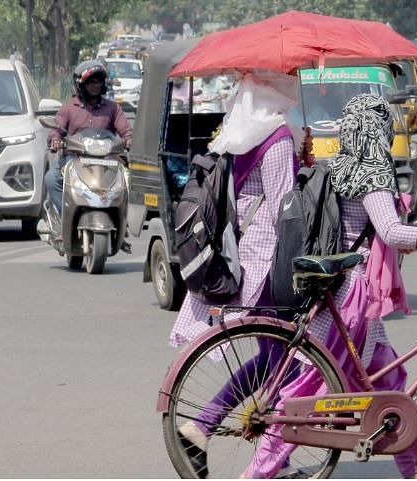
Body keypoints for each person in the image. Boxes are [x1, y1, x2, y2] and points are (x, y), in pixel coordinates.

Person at [243, 93, 417, 479]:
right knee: (308, 393)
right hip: (353, 300)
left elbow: (382, 227)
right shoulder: (373, 173)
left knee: (392, 385)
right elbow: (392, 231)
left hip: (348, 296)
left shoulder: (343, 166)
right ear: (378, 130)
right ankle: (257, 474)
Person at [171, 71, 305, 478]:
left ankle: (210, 428)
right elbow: (286, 207)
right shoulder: (278, 136)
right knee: (288, 366)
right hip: (267, 260)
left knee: (273, 361)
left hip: (240, 255)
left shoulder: (238, 132)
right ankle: (240, 443)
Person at [45, 60, 132, 214]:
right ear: (80, 84)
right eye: (90, 82)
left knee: (129, 180)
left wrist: (130, 140)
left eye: (98, 82)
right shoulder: (68, 107)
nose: (95, 86)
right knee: (51, 179)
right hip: (75, 159)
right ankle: (67, 217)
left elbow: (126, 131)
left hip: (107, 160)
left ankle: (119, 222)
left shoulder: (113, 108)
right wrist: (55, 140)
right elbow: (56, 129)